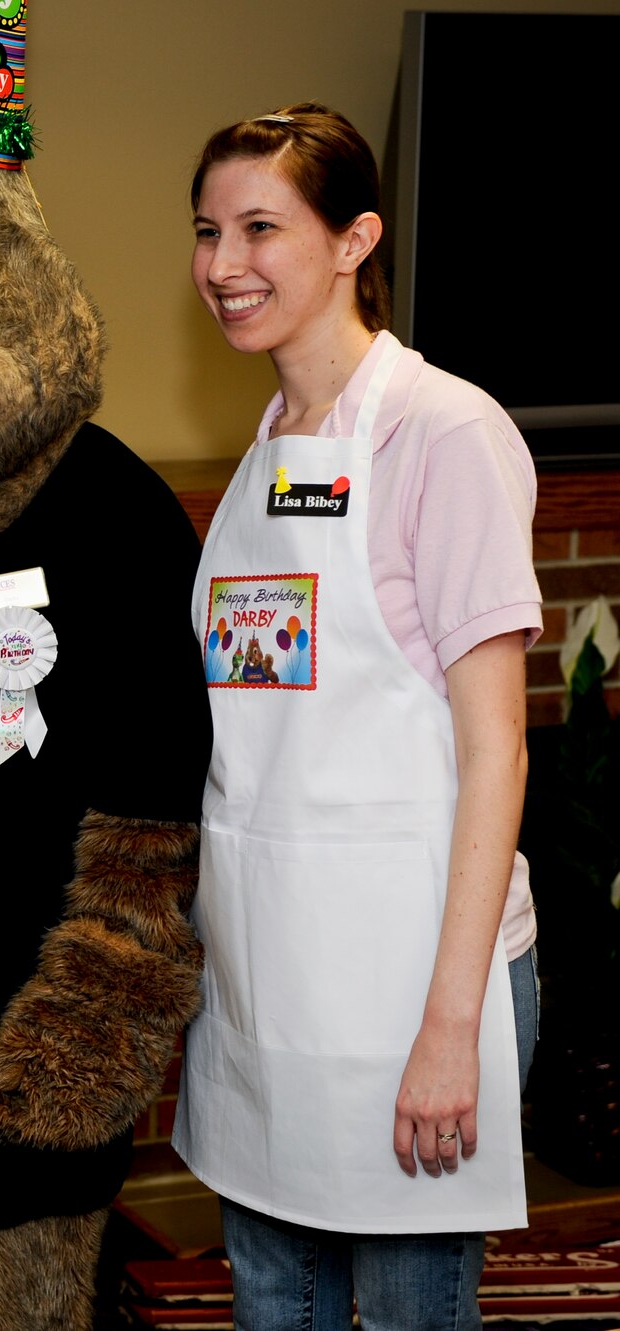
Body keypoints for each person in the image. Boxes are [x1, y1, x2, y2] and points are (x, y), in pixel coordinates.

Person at [172, 103, 542, 1331]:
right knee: (272, 1304)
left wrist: (446, 1028)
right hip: (270, 986)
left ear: (352, 240)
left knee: (402, 1312)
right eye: (206, 230)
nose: (223, 266)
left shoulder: (444, 432)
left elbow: (495, 746)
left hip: (413, 984)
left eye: (260, 228)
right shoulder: (263, 453)